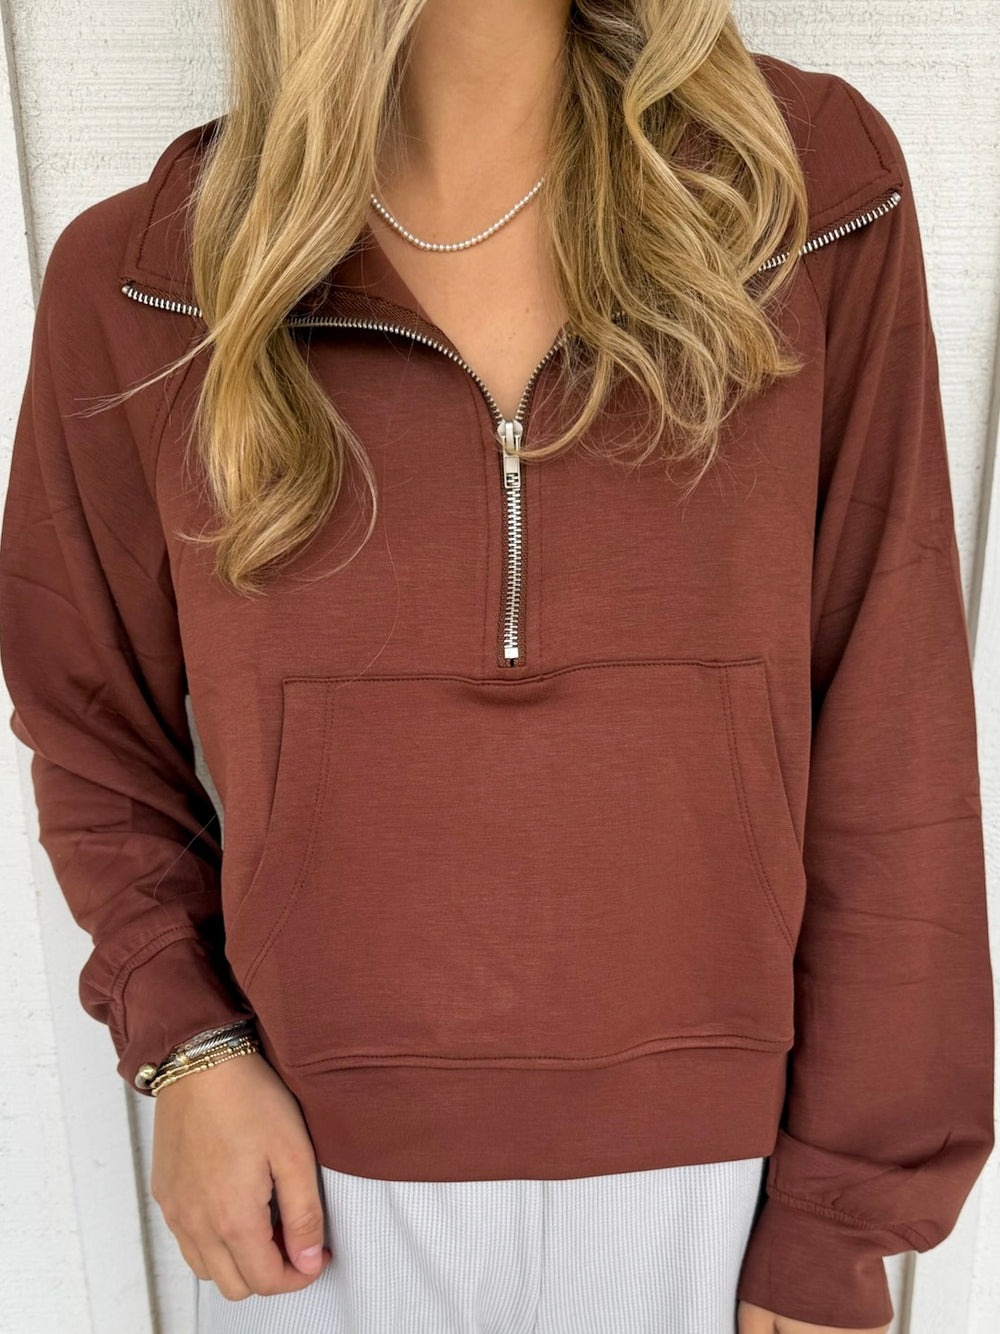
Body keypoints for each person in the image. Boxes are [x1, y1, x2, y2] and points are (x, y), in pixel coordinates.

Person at [0, 2, 994, 1332]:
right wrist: (187, 1046)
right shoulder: (149, 283)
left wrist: (842, 1219)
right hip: (309, 1197)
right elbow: (87, 723)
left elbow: (893, 717)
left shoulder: (794, 199)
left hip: (724, 1193)